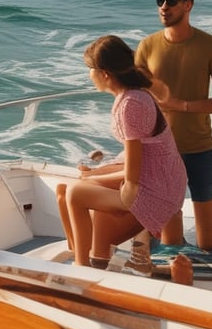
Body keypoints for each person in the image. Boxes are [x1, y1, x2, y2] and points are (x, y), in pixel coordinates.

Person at [59, 35, 187, 270]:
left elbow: (133, 175)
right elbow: (139, 158)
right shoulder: (134, 95)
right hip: (165, 181)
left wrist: (123, 200)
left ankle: (81, 266)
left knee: (75, 193)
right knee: (70, 187)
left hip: (156, 191)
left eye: (90, 69)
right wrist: (94, 175)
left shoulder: (130, 105)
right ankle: (83, 252)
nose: (89, 75)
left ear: (105, 73)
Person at [135, 0, 212, 251]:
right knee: (172, 242)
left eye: (171, 1)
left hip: (199, 147)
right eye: (160, 1)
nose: (163, 7)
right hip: (160, 152)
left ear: (188, 5)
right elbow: (136, 98)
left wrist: (182, 106)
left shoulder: (210, 45)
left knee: (207, 242)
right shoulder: (147, 46)